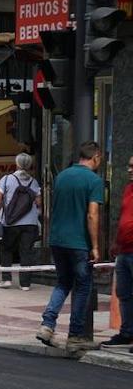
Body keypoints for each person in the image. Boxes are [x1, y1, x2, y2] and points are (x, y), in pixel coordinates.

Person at [38, 142, 105, 351]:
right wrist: (95, 246)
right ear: (95, 157)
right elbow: (92, 214)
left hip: (57, 239)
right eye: (100, 159)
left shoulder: (61, 176)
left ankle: (47, 324)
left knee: (63, 282)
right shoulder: (94, 181)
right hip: (78, 242)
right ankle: (76, 334)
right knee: (83, 286)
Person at [0, 153, 42, 291]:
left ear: (17, 164)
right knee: (26, 251)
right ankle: (25, 284)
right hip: (30, 223)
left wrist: (8, 209)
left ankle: (6, 279)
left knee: (7, 249)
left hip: (11, 222)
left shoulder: (7, 179)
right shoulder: (34, 182)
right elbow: (39, 202)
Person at [100, 155, 133, 350]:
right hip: (124, 250)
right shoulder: (128, 189)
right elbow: (123, 217)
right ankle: (127, 332)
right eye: (129, 166)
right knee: (124, 293)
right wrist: (115, 242)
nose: (130, 170)